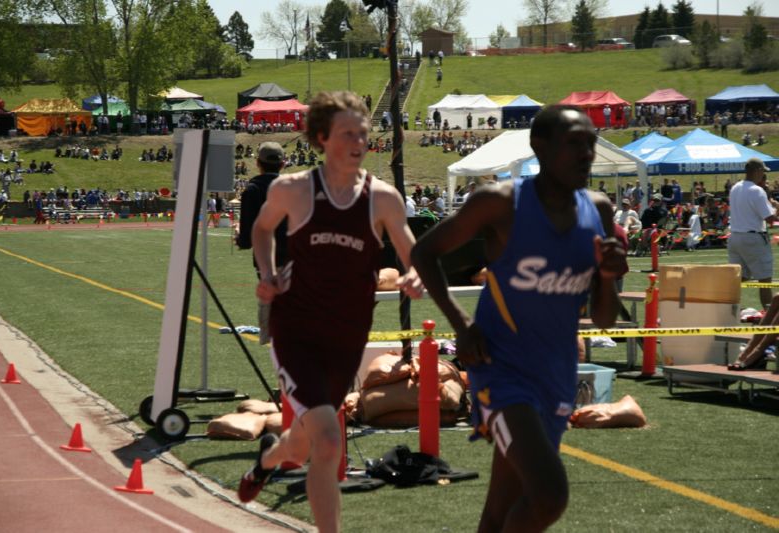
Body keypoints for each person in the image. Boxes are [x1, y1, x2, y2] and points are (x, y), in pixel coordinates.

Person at [411, 105, 625, 533]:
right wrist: (461, 322)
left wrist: (607, 276)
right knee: (549, 495)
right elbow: (424, 253)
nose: (586, 154)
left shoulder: (598, 210)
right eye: (574, 144)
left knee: (500, 510)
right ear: (539, 147)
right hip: (503, 374)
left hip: (557, 376)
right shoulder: (501, 203)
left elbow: (604, 321)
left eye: (591, 144)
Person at [239, 91, 423, 532]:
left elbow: (412, 253)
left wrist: (415, 275)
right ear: (322, 138)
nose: (358, 142)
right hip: (297, 329)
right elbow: (262, 230)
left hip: (345, 337)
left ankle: (267, 459)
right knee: (327, 441)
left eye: (363, 132)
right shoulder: (293, 190)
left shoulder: (383, 198)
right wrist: (266, 272)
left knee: (303, 446)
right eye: (347, 134)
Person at [236, 142, 287, 345]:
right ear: (283, 164)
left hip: (267, 264)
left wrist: (240, 236)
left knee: (271, 312)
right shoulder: (294, 189)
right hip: (297, 260)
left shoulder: (253, 190)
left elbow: (248, 239)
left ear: (258, 163)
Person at [728, 157, 779, 310]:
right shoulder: (757, 191)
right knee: (764, 280)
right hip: (753, 237)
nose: (763, 174)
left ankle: (727, 308)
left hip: (735, 236)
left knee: (739, 277)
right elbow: (770, 219)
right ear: (757, 171)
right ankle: (769, 319)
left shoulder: (735, 187)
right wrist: (777, 207)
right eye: (762, 171)